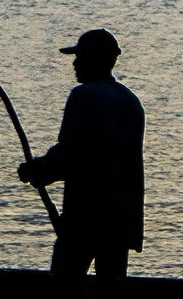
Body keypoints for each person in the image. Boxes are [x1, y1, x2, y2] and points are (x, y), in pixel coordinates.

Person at [19, 27, 145, 280]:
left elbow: (72, 153)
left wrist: (37, 170)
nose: (75, 64)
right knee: (111, 289)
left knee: (65, 285)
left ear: (94, 60)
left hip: (85, 216)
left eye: (80, 58)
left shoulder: (84, 95)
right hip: (121, 218)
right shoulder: (131, 100)